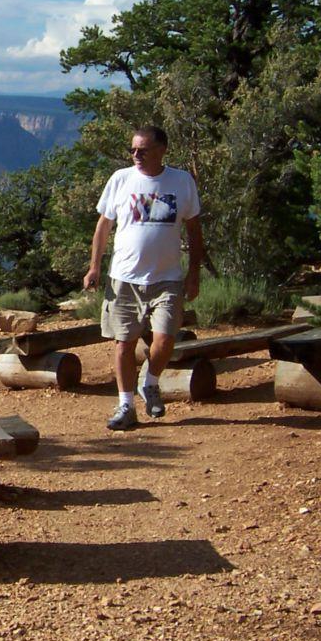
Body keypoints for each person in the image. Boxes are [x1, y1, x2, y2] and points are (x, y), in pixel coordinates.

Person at [82, 125, 205, 431]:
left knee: (164, 339)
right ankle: (125, 406)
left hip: (168, 278)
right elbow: (103, 226)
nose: (136, 155)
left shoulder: (181, 181)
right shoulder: (121, 179)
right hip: (124, 278)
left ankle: (149, 382)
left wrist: (194, 275)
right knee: (124, 343)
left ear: (161, 150)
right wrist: (94, 266)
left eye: (143, 150)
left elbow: (194, 230)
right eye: (133, 150)